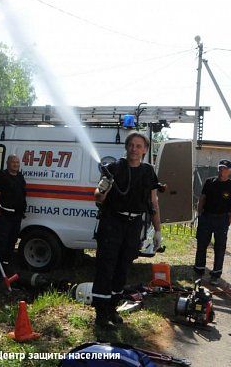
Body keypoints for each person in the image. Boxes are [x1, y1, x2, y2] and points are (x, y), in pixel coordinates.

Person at [92, 132, 162, 329]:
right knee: (106, 268)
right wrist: (103, 189)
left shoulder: (148, 172)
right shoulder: (114, 168)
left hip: (133, 226)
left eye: (139, 146)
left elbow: (153, 201)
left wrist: (157, 230)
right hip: (112, 223)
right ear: (126, 147)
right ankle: (100, 314)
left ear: (145, 150)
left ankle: (112, 308)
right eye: (131, 145)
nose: (134, 148)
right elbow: (98, 196)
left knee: (122, 269)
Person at [193, 159, 231, 286]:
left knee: (219, 248)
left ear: (230, 171)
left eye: (225, 168)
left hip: (222, 219)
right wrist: (200, 214)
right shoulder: (210, 182)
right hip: (206, 217)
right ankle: (199, 272)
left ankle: (215, 275)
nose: (222, 171)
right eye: (220, 168)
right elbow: (202, 199)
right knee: (201, 245)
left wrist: (228, 221)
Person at [0, 154, 27, 269]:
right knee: (2, 243)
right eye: (13, 162)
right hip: (5, 216)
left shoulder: (20, 176)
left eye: (17, 162)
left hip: (17, 216)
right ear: (7, 163)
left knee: (12, 242)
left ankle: (6, 265)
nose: (16, 164)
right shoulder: (2, 176)